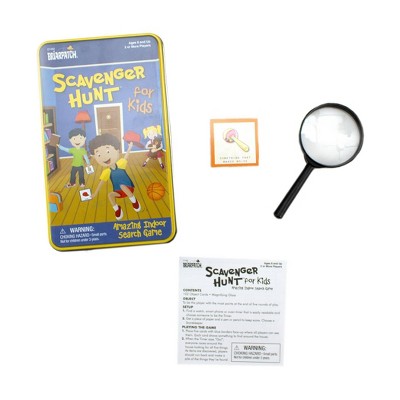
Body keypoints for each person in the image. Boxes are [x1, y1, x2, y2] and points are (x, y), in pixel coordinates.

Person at [89, 133, 141, 220]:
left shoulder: (121, 164)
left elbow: (126, 156)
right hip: (118, 192)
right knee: (110, 195)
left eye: (108, 152)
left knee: (122, 186)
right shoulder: (106, 172)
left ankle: (134, 201)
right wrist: (95, 193)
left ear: (116, 150)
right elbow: (101, 183)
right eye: (99, 155)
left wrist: (130, 147)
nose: (104, 157)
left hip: (129, 189)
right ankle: (117, 209)